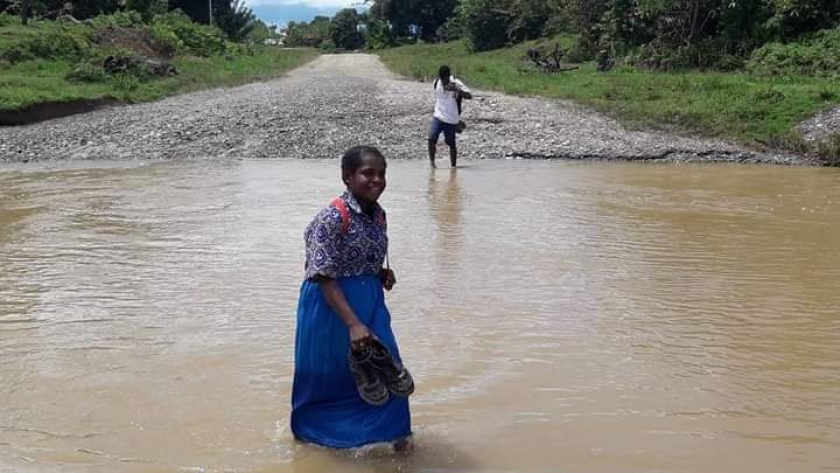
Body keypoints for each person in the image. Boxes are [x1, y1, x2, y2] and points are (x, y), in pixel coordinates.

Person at [291, 145, 412, 451]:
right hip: (330, 307)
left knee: (389, 372)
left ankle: (397, 443)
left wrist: (380, 274)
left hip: (369, 302)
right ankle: (316, 445)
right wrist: (353, 324)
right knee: (329, 378)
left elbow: (362, 261)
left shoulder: (379, 215)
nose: (377, 180)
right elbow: (322, 275)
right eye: (367, 173)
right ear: (347, 177)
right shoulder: (331, 218)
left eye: (382, 174)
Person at [428, 65, 472, 168]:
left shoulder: (456, 83)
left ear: (448, 76)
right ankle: (432, 165)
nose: (443, 82)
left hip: (451, 119)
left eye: (445, 80)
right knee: (431, 138)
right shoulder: (436, 83)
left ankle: (453, 168)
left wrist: (456, 90)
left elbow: (469, 95)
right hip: (438, 116)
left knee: (451, 144)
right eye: (442, 79)